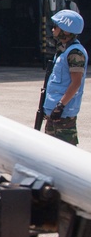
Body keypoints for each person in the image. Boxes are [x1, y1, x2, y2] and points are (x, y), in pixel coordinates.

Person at [42, 9, 87, 145]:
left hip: (63, 113)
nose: (53, 29)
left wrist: (60, 106)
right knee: (50, 151)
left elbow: (76, 83)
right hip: (54, 110)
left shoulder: (75, 53)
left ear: (66, 31)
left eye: (56, 27)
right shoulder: (62, 50)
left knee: (66, 153)